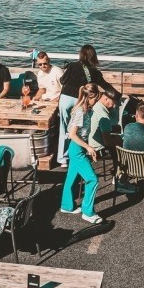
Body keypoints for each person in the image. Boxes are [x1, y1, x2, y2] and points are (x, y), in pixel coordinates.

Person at [57, 46, 113, 166]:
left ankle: (63, 159)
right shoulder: (94, 72)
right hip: (81, 99)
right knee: (79, 129)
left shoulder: (72, 66)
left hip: (66, 98)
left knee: (64, 128)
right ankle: (77, 153)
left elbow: (62, 81)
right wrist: (117, 95)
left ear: (81, 55)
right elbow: (104, 85)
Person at [60, 83, 104, 224]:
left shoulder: (85, 109)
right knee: (92, 180)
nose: (96, 101)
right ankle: (88, 212)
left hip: (77, 148)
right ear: (90, 97)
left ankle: (66, 206)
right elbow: (72, 134)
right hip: (77, 149)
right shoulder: (81, 112)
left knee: (71, 177)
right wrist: (88, 147)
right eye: (96, 98)